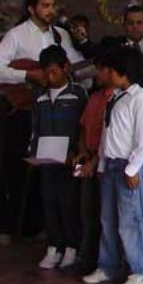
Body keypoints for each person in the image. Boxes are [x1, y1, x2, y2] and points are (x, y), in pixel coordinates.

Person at [0, 0, 84, 245]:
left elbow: (76, 65)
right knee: (15, 167)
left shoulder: (60, 36)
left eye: (53, 6)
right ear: (31, 9)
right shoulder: (17, 35)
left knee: (47, 168)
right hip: (22, 109)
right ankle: (7, 225)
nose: (51, 10)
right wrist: (27, 75)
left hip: (54, 110)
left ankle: (38, 226)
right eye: (45, 5)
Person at [82, 47, 143, 284]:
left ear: (122, 72)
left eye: (111, 70)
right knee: (108, 220)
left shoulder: (141, 99)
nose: (107, 74)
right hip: (111, 164)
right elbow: (108, 135)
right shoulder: (115, 97)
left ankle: (141, 270)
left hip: (129, 166)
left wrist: (133, 168)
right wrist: (102, 164)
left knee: (131, 220)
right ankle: (108, 265)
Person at [30, 45, 88, 269]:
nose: (50, 77)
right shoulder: (40, 97)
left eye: (54, 72)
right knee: (49, 201)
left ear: (66, 68)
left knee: (69, 202)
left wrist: (78, 152)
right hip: (46, 159)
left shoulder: (77, 94)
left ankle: (72, 247)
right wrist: (33, 152)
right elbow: (35, 128)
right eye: (46, 73)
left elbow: (83, 126)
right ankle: (54, 246)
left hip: (71, 159)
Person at [72, 55, 115, 275]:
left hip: (105, 162)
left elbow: (108, 138)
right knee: (87, 213)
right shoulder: (95, 97)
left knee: (105, 216)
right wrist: (81, 152)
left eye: (99, 70)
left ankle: (104, 262)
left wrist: (94, 161)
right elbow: (83, 127)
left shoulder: (115, 99)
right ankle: (86, 258)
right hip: (88, 158)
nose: (96, 75)